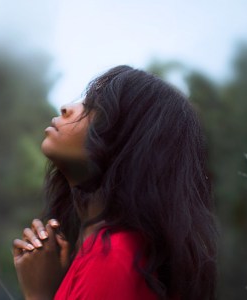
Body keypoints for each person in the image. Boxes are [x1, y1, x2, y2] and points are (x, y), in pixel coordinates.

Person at [11, 65, 217, 300]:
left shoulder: (113, 259)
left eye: (94, 109)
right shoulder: (105, 252)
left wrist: (37, 295)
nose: (67, 107)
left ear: (129, 142)